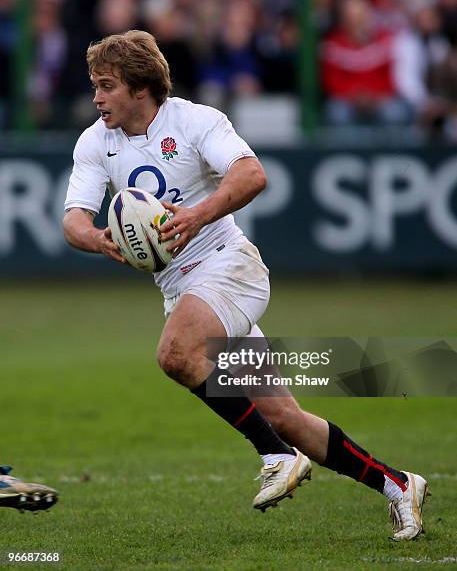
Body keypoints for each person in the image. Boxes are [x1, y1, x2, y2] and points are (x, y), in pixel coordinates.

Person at [63, 30, 428, 539]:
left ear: (139, 87)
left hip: (228, 266)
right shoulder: (95, 142)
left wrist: (197, 215)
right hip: (181, 287)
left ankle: (276, 456)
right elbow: (74, 219)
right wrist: (100, 239)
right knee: (285, 416)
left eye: (106, 86)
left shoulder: (195, 121)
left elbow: (251, 174)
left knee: (176, 355)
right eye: (94, 86)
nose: (96, 97)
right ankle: (397, 483)